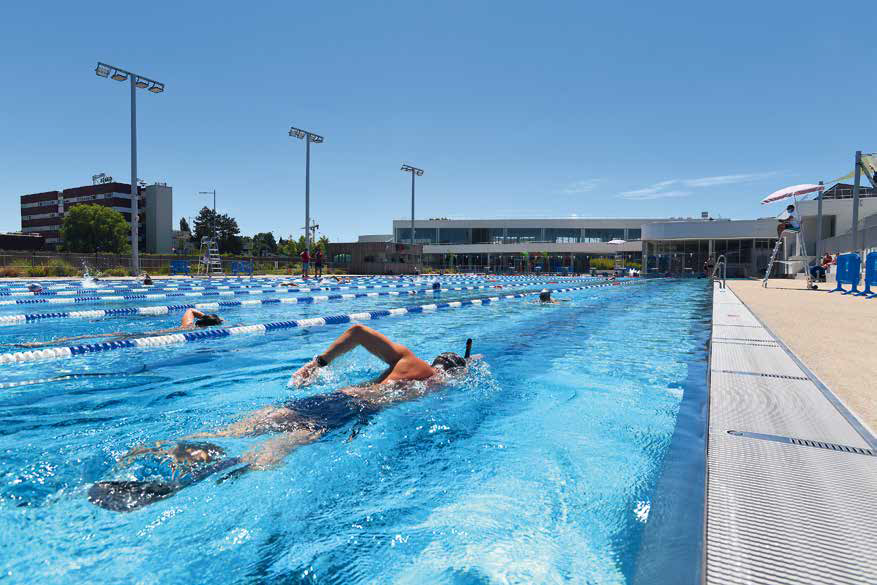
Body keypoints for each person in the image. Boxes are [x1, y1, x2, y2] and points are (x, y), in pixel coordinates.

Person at [140, 326, 475, 471]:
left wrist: (317, 364)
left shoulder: (405, 360)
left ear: (435, 359)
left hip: (336, 395)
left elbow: (357, 332)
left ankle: (168, 444)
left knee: (249, 425)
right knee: (287, 444)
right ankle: (235, 469)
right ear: (451, 370)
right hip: (350, 410)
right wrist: (468, 368)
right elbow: (454, 378)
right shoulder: (438, 382)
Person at [6, 308, 222, 349]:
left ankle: (42, 344)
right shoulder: (191, 333)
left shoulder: (187, 325)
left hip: (144, 335)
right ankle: (40, 345)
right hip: (146, 338)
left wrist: (207, 316)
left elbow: (191, 308)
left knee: (90, 337)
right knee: (91, 339)